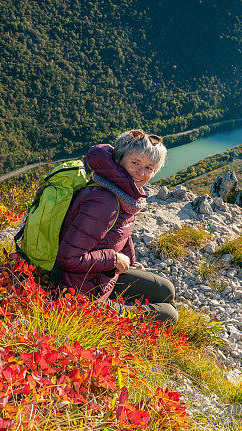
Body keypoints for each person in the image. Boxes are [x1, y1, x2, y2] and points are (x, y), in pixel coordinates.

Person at [54, 130, 178, 324]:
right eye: (135, 163)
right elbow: (67, 259)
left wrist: (131, 259)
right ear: (118, 159)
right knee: (169, 315)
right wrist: (114, 259)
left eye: (149, 167)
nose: (141, 173)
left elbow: (119, 231)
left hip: (98, 276)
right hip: (80, 295)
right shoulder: (104, 201)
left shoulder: (121, 191)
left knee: (166, 290)